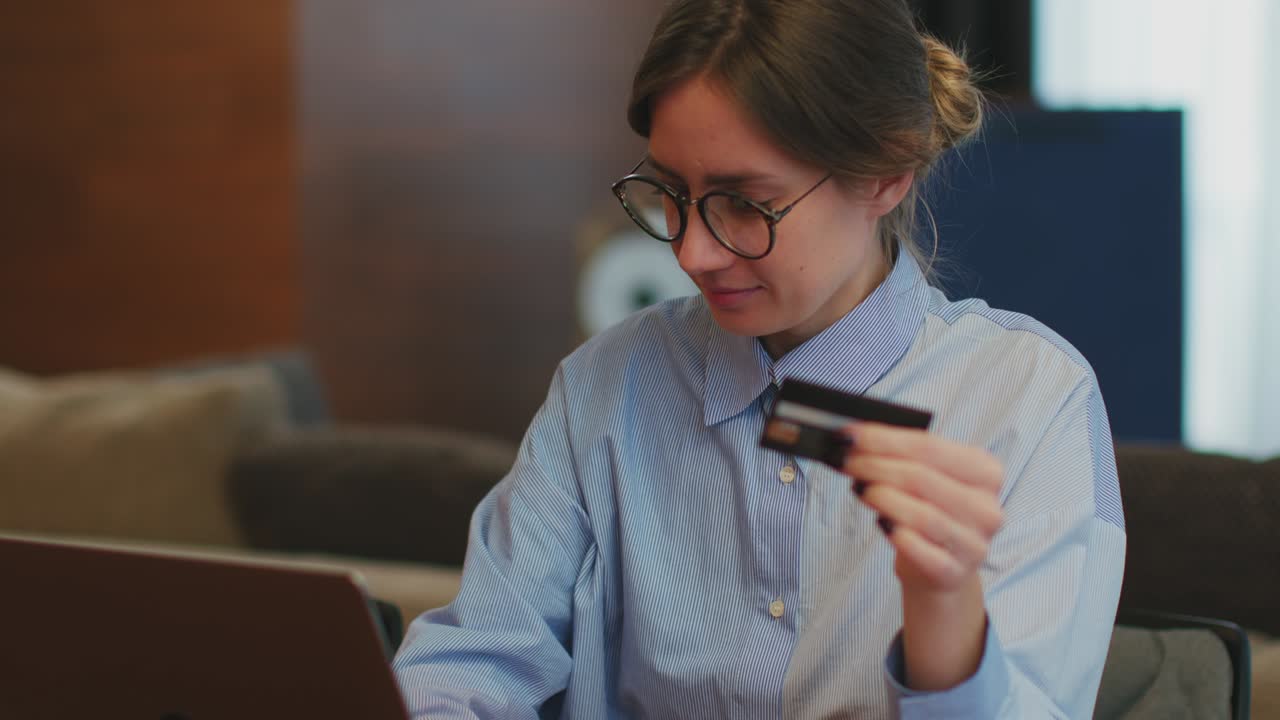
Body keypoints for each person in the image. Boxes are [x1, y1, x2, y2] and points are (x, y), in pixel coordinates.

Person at [392, 0, 1125, 717]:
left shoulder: (1029, 402)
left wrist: (944, 614)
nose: (691, 251)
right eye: (671, 193)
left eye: (744, 203)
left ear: (887, 171)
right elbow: (470, 666)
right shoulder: (606, 388)